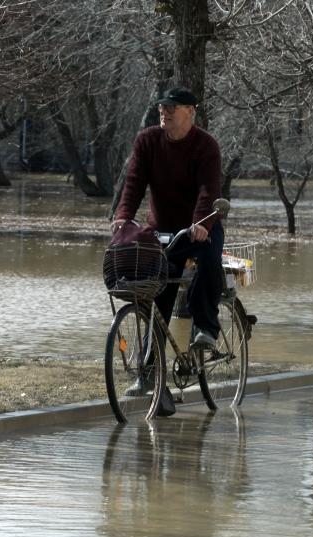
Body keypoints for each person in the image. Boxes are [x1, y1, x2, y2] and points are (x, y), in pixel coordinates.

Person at [113, 86, 224, 351]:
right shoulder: (147, 140)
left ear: (190, 112)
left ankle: (206, 329)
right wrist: (124, 216)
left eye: (172, 107)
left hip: (199, 228)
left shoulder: (205, 145)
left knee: (208, 263)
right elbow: (134, 183)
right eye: (162, 107)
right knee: (157, 294)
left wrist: (201, 224)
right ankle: (150, 373)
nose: (165, 112)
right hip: (162, 229)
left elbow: (209, 190)